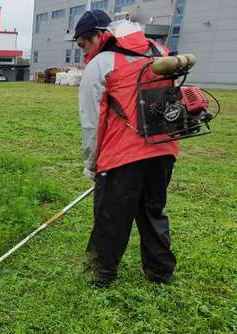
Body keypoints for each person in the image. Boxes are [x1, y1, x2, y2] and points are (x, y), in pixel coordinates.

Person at [75, 10, 179, 287]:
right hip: (163, 151)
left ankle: (100, 276)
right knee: (153, 212)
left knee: (111, 219)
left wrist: (92, 163)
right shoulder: (159, 51)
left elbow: (92, 121)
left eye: (83, 44)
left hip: (121, 158)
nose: (83, 51)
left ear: (98, 36)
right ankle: (161, 275)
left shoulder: (102, 63)